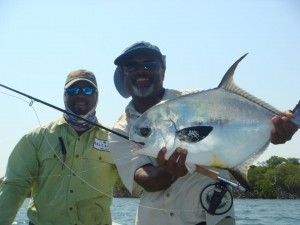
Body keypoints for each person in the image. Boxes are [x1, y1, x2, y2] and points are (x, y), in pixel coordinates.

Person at [108, 41, 299, 225]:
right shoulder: (121, 129)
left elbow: (233, 130)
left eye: (149, 64)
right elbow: (146, 179)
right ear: (123, 76)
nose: (141, 70)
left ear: (163, 71)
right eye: (131, 67)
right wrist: (168, 171)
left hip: (212, 217)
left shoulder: (203, 100)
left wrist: (278, 128)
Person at [0, 70, 118, 225]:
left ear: (97, 96)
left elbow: (136, 182)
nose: (80, 95)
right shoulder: (36, 138)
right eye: (73, 90)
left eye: (87, 90)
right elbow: (15, 185)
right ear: (64, 95)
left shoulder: (115, 141)